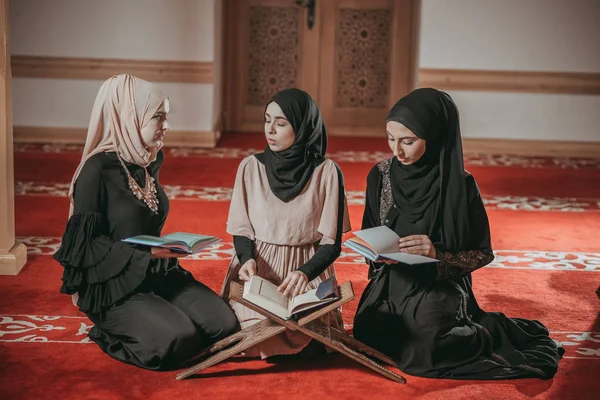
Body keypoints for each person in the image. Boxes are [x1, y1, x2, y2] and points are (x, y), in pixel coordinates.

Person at [352, 88, 564, 379]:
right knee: (369, 331)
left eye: (408, 141)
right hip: (393, 282)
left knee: (426, 342)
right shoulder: (380, 176)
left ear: (436, 134)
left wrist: (435, 254)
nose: (396, 151)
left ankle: (489, 332)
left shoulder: (460, 185)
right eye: (390, 139)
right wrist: (379, 257)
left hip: (440, 285)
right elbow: (372, 232)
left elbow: (482, 252)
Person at [53, 74, 239, 370]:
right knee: (177, 341)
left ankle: (161, 314)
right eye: (158, 116)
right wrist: (144, 252)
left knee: (225, 325)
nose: (166, 125)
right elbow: (83, 247)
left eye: (166, 116)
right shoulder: (95, 171)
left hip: (158, 272)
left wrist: (165, 249)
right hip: (114, 287)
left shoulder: (147, 160)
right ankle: (107, 332)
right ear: (131, 116)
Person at [222, 88, 351, 358]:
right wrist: (246, 260)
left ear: (303, 128)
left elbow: (331, 243)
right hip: (259, 269)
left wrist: (305, 272)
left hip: (306, 271)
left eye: (280, 124)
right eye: (267, 120)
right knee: (257, 328)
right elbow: (242, 229)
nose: (270, 130)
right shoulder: (249, 167)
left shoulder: (327, 172)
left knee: (303, 327)